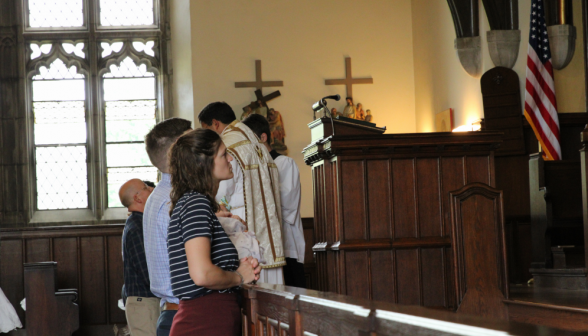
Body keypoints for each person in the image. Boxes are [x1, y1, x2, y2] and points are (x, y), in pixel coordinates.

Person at [167, 128, 261, 335]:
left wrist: (241, 266)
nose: (230, 159)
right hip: (204, 321)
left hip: (210, 318)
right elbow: (202, 274)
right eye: (223, 154)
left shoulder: (195, 203)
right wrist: (238, 276)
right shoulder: (196, 203)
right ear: (203, 163)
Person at [198, 102, 286, 284]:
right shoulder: (256, 142)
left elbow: (221, 193)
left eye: (207, 129)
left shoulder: (227, 146)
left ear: (215, 124)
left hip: (244, 232)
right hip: (270, 234)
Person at [242, 114, 306, 288]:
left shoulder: (284, 163)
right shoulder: (251, 169)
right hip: (264, 248)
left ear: (263, 137)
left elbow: (287, 204)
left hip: (287, 246)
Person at [143, 118, 192, 336]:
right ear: (178, 149)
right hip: (184, 315)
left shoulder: (159, 196)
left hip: (173, 312)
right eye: (193, 143)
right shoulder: (173, 201)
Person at [119, 179, 158, 336]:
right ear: (137, 198)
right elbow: (147, 271)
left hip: (148, 302)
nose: (151, 190)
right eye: (146, 188)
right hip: (144, 304)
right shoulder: (136, 227)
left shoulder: (143, 222)